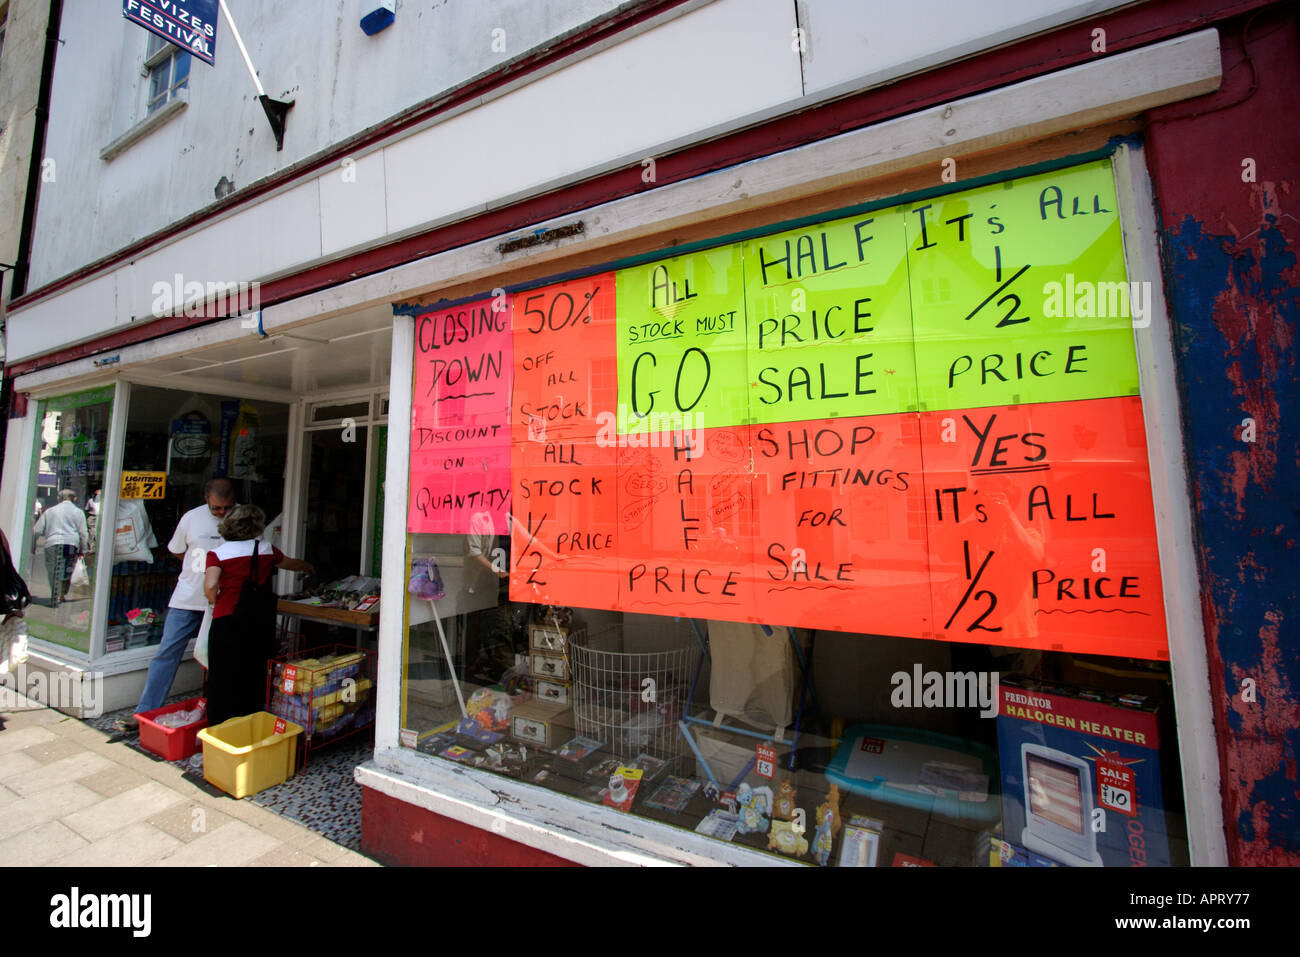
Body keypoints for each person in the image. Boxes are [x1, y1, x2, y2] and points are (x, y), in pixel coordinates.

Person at [117, 477, 235, 732]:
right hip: (187, 598)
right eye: (217, 508)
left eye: (226, 507)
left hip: (222, 600)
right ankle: (145, 713)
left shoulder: (241, 519)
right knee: (167, 653)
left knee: (219, 658)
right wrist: (197, 568)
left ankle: (217, 714)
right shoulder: (191, 518)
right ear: (206, 499)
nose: (222, 513)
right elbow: (177, 549)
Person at [203, 505, 313, 725]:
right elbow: (292, 564)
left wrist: (214, 601)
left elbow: (211, 585)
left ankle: (221, 724)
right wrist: (308, 567)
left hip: (227, 621)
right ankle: (252, 720)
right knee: (255, 673)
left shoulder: (217, 554)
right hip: (259, 622)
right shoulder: (265, 550)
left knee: (223, 674)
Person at [32, 489, 89, 606]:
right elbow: (83, 533)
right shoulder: (78, 512)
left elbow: (37, 530)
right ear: (74, 499)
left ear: (59, 498)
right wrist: (84, 549)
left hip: (52, 543)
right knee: (67, 570)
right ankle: (62, 594)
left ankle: (55, 594)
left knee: (53, 570)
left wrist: (33, 545)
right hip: (70, 544)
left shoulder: (50, 512)